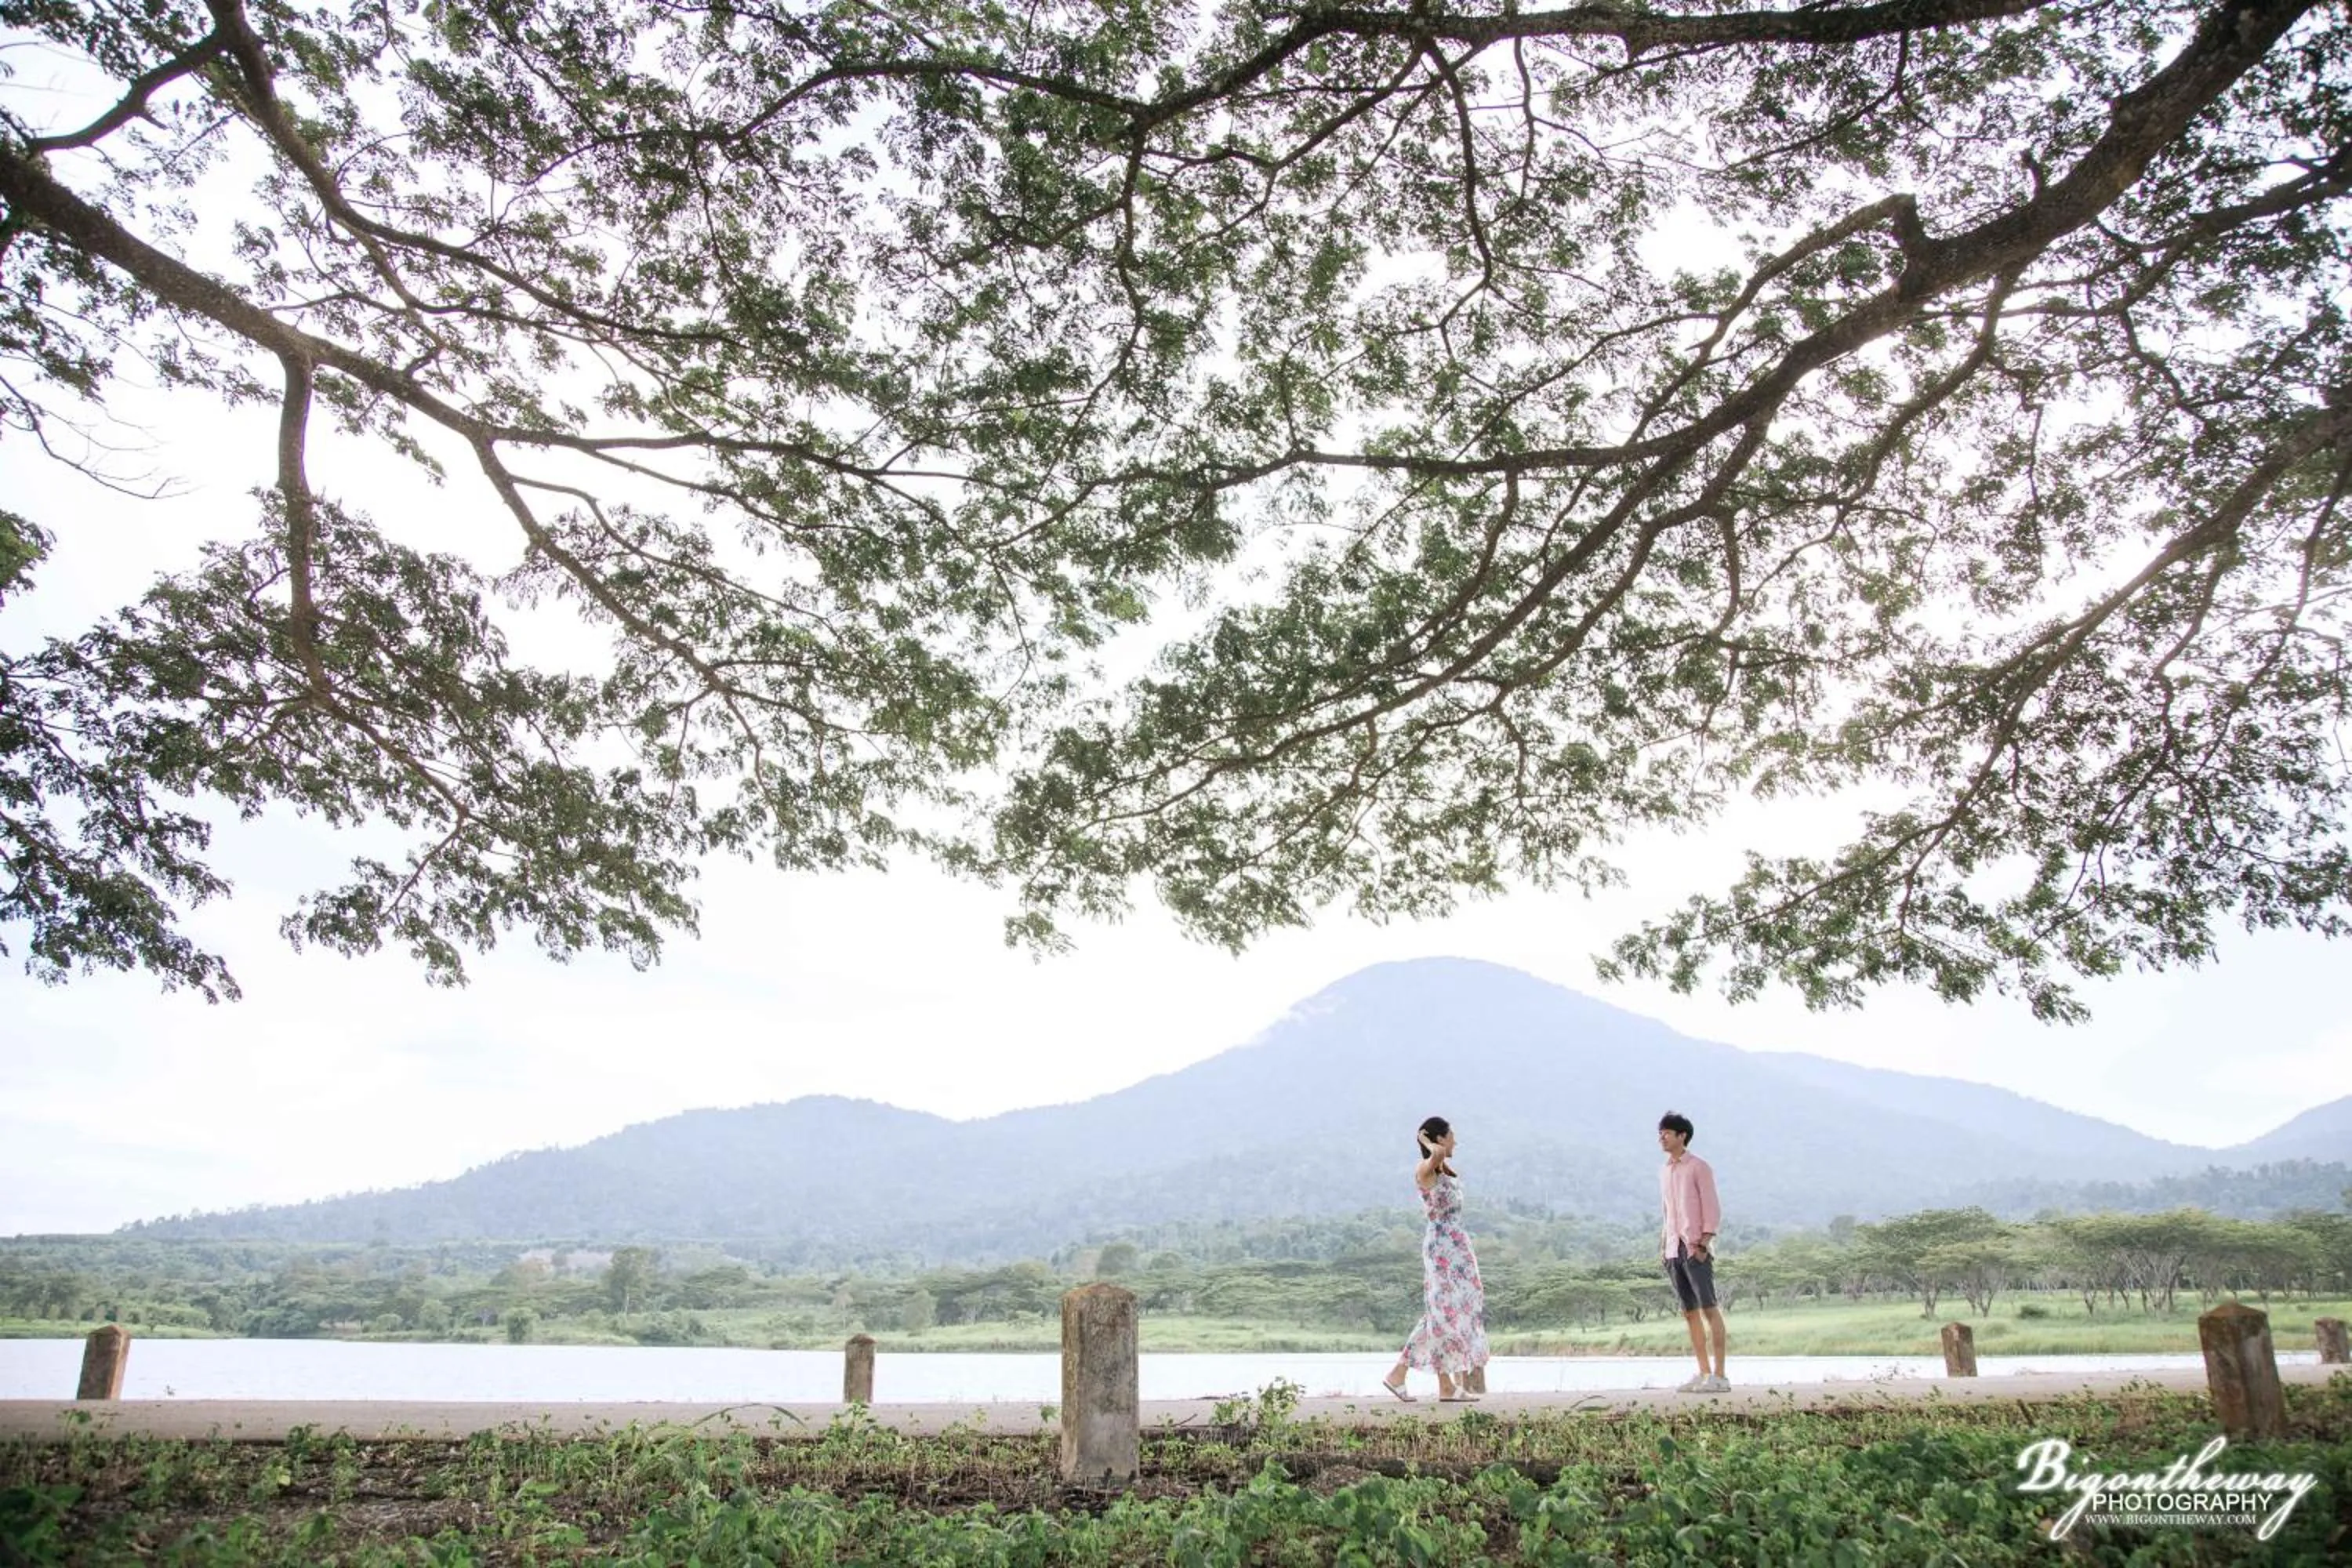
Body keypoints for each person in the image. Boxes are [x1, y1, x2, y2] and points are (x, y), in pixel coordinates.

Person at [1382, 1116, 1489, 1403]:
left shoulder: (1443, 1170)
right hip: (1441, 1248)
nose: (1455, 1141)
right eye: (1451, 1135)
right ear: (1440, 1139)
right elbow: (1437, 1153)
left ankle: (1426, 1381)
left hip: (1456, 1248)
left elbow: (1442, 1159)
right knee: (1442, 1314)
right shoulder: (1425, 1169)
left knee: (1451, 1313)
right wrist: (1426, 1141)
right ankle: (1412, 1377)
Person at [1657, 1109, 1727, 1393]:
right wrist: (1664, 1247)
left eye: (1667, 1133)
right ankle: (1703, 1373)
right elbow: (1667, 1212)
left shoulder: (1699, 1167)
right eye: (1660, 1133)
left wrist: (1703, 1242)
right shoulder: (1665, 1171)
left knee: (1709, 1308)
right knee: (1689, 1312)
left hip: (1695, 1246)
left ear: (1681, 1136)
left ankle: (1720, 1376)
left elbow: (1711, 1206)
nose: (1661, 1138)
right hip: (1673, 1249)